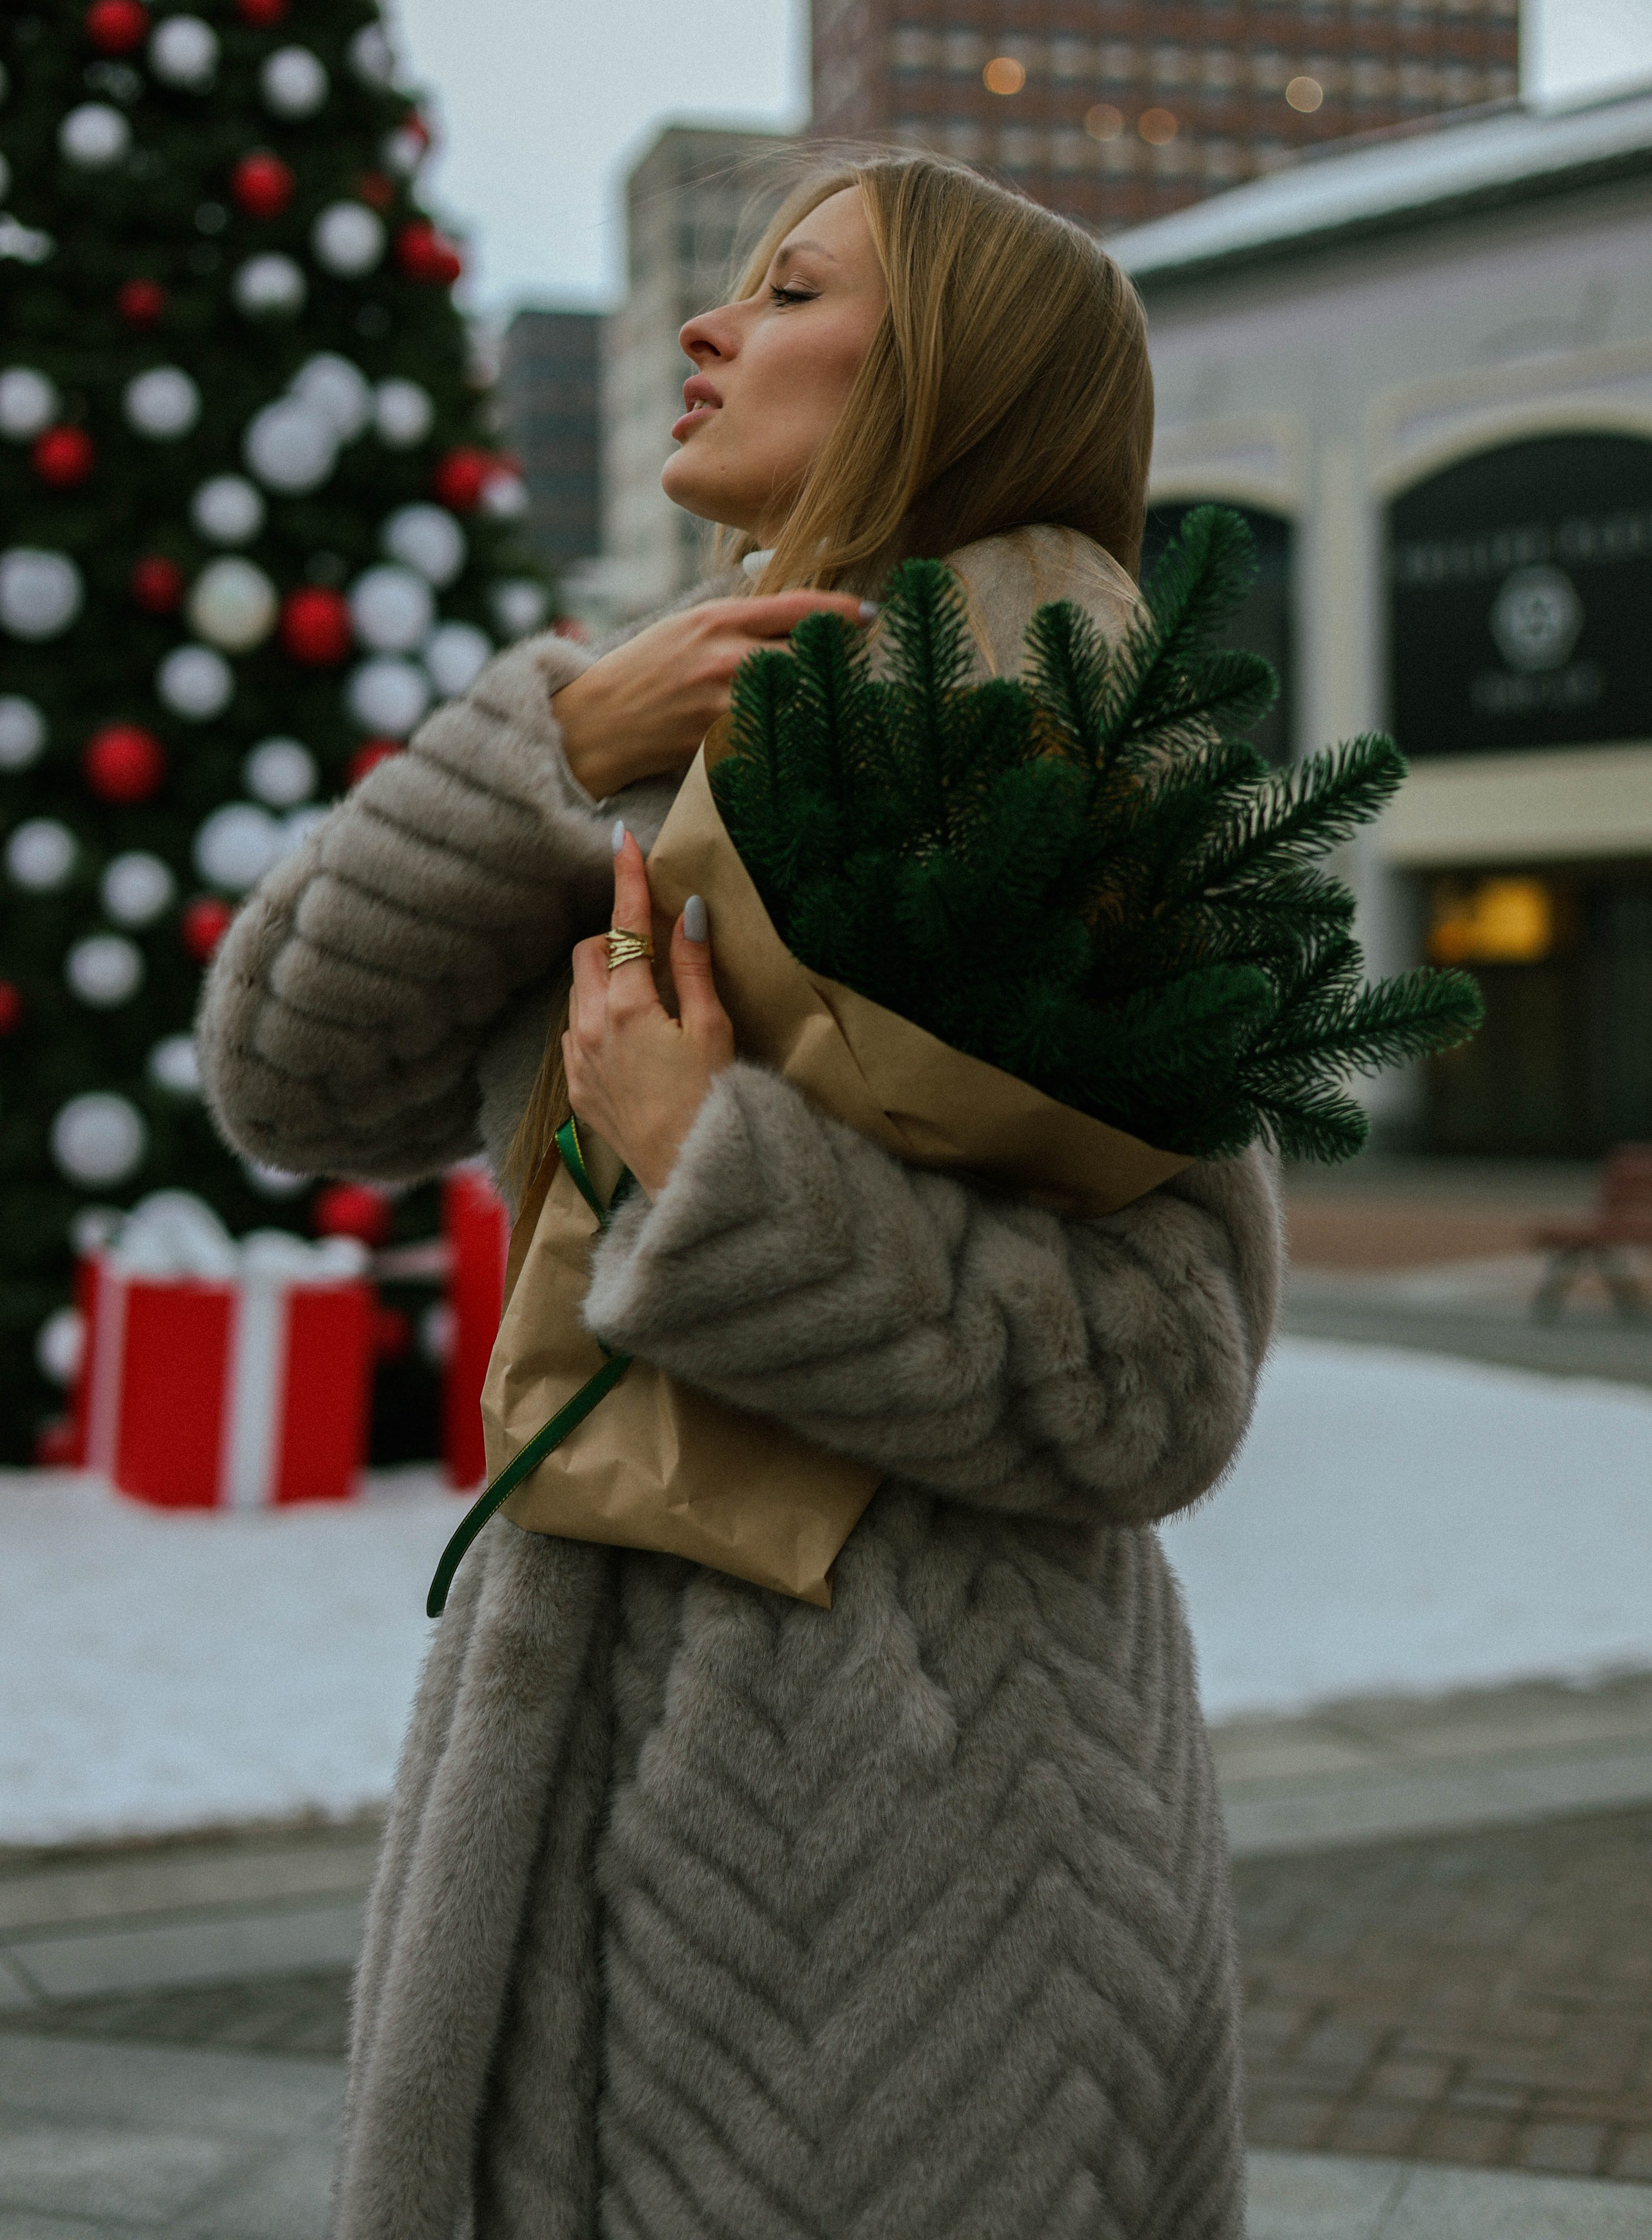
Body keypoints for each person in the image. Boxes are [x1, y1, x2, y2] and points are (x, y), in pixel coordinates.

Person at [198, 154, 1280, 2240]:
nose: (706, 332)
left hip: (924, 1868)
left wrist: (720, 1172)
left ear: (944, 378)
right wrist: (545, 748)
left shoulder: (1060, 723)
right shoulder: (654, 726)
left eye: (784, 291)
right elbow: (288, 1077)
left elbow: (1162, 1379)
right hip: (565, 1746)